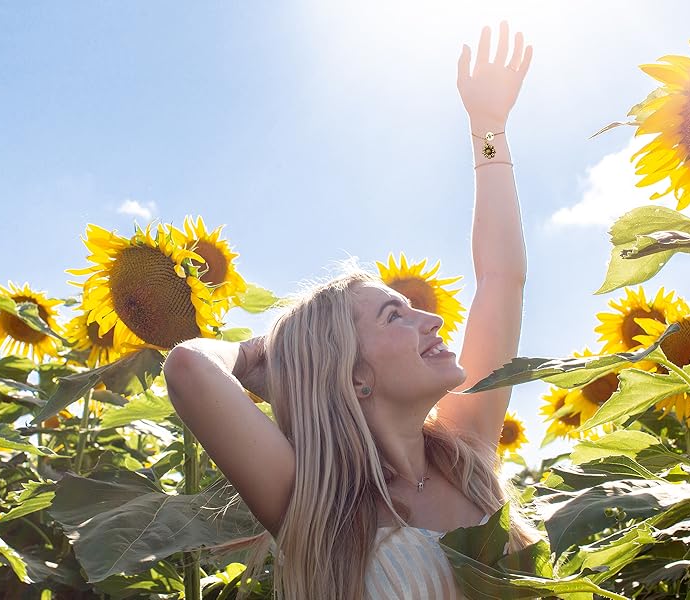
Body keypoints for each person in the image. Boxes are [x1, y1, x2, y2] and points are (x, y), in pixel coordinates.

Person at [163, 21, 537, 600]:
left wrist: (488, 128)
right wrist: (264, 354)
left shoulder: (465, 451)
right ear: (353, 374)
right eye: (396, 316)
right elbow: (187, 368)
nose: (433, 320)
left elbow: (501, 277)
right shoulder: (314, 501)